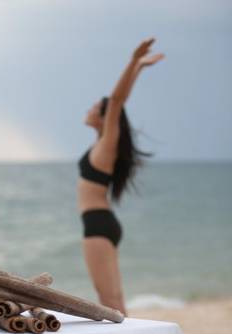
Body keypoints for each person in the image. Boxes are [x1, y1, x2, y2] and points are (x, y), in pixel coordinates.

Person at [78, 37, 164, 316]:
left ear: (105, 118)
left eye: (94, 107)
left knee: (109, 302)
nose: (89, 109)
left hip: (97, 224)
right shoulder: (100, 145)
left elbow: (117, 100)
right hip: (102, 223)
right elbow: (115, 102)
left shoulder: (107, 144)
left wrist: (134, 61)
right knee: (114, 300)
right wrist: (139, 67)